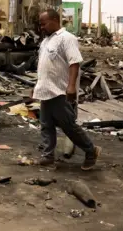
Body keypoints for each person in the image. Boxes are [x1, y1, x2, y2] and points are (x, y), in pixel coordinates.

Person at [32, 9, 101, 170]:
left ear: (55, 20)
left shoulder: (67, 38)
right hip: (45, 90)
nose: (41, 27)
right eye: (40, 24)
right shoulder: (46, 41)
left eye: (44, 23)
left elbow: (74, 63)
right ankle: (48, 156)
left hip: (60, 91)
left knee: (69, 126)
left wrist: (71, 87)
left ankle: (91, 151)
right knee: (46, 125)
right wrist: (37, 86)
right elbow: (44, 66)